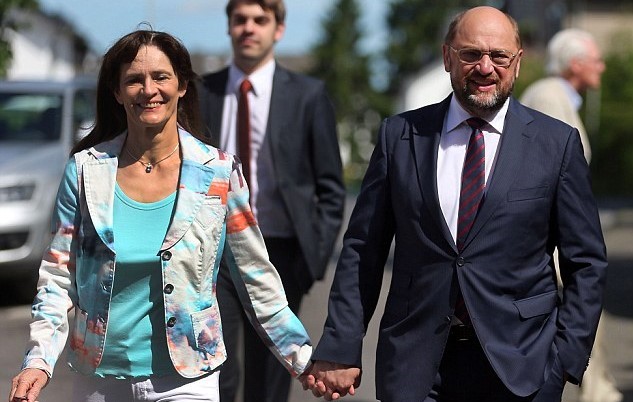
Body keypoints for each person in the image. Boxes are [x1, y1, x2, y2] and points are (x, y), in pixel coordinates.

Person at [302, 6, 607, 402]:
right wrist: (341, 344)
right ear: (447, 57)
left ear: (517, 63)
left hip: (523, 369)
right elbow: (363, 249)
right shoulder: (401, 137)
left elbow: (586, 261)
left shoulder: (556, 143)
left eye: (499, 56)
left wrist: (564, 360)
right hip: (416, 368)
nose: (485, 67)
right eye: (471, 54)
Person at [8, 29, 312, 402]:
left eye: (161, 77)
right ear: (117, 92)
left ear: (182, 85)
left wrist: (303, 358)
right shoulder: (86, 170)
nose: (148, 89)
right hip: (99, 379)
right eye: (134, 80)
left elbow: (255, 275)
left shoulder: (218, 172)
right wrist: (38, 360)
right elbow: (57, 276)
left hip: (188, 378)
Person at [198, 1, 345, 401]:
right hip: (213, 256)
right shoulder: (201, 92)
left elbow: (330, 188)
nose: (249, 28)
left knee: (270, 380)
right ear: (229, 26)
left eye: (260, 20)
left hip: (280, 254)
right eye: (240, 19)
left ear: (278, 29)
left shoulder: (308, 96)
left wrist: (312, 260)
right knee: (215, 374)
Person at [521, 29, 621, 402]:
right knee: (579, 320)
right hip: (555, 247)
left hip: (564, 243)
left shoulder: (557, 96)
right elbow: (545, 181)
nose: (602, 66)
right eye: (596, 59)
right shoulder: (548, 97)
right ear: (575, 64)